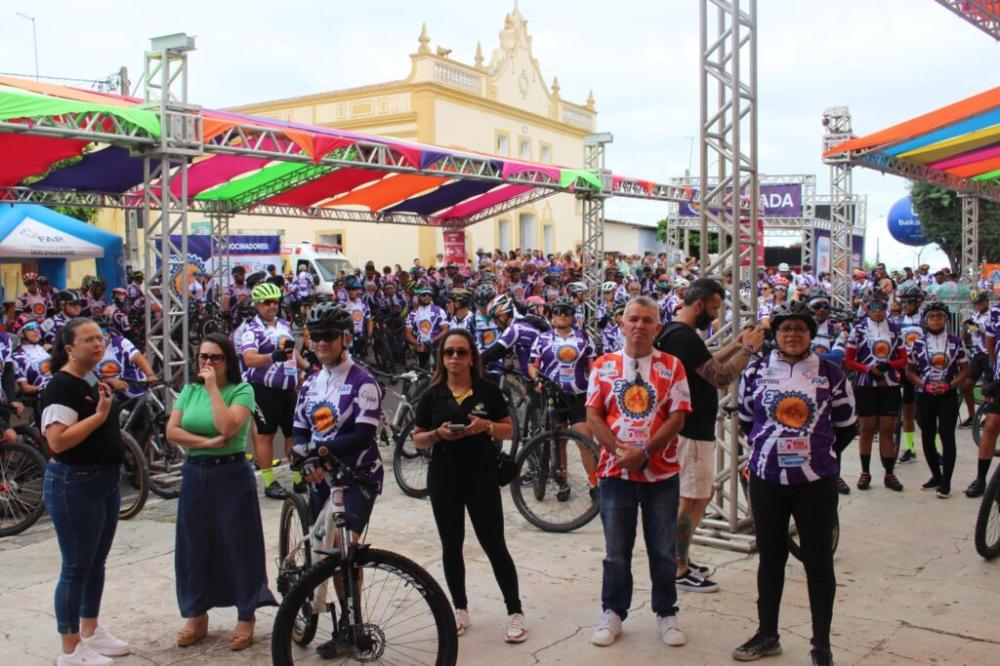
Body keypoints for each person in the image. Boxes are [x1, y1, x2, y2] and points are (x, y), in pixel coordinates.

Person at [732, 302, 856, 666]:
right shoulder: (755, 370)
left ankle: (821, 646)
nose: (792, 335)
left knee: (818, 563)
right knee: (770, 559)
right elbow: (746, 420)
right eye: (785, 329)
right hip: (767, 480)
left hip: (815, 482)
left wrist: (818, 454)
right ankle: (767, 635)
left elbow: (847, 425)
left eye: (800, 329)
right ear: (776, 334)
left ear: (810, 334)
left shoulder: (831, 372)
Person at [586, 296, 692, 649]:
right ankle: (613, 611)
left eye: (647, 320)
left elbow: (677, 417)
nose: (639, 326)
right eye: (633, 319)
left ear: (658, 327)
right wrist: (621, 452)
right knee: (616, 551)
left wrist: (644, 452)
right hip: (615, 474)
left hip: (661, 474)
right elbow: (593, 416)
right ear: (621, 323)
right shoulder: (603, 365)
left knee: (663, 549)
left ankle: (666, 612)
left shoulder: (672, 366)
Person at [412, 329, 526, 643]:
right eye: (449, 352)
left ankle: (515, 611)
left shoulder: (488, 391)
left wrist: (484, 426)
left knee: (494, 544)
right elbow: (417, 437)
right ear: (441, 357)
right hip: (444, 477)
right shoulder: (431, 395)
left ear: (472, 357)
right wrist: (438, 434)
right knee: (451, 545)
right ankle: (459, 609)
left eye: (462, 352)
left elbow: (508, 430)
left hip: (481, 477)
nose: (455, 358)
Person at [654, 279, 766, 594]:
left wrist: (736, 345)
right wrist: (749, 349)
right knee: (692, 499)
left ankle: (680, 559)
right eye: (714, 308)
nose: (715, 315)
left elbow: (706, 361)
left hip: (689, 430)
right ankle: (677, 568)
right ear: (700, 304)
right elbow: (721, 376)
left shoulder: (676, 332)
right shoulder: (684, 337)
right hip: (690, 432)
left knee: (697, 496)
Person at [166, 333, 276, 650]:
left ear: (228, 361)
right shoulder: (189, 391)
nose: (208, 363)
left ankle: (246, 615)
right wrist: (205, 443)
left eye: (215, 358)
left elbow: (228, 427)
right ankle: (196, 614)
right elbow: (172, 431)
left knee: (239, 544)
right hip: (195, 472)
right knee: (194, 546)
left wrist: (214, 388)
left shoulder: (242, 390)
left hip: (231, 473)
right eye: (203, 357)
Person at [41, 317, 130, 666]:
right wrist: (98, 417)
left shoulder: (90, 378)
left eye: (100, 338)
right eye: (88, 340)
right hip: (75, 482)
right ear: (69, 349)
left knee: (96, 562)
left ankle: (90, 628)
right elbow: (57, 442)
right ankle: (70, 647)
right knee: (76, 566)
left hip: (104, 480)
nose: (97, 344)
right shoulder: (61, 387)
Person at [528, 297, 598, 500]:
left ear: (573, 316)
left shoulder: (584, 338)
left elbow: (593, 367)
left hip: (578, 396)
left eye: (567, 312)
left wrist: (597, 387)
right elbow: (533, 365)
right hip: (553, 396)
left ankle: (594, 482)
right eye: (558, 311)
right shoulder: (542, 338)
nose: (563, 315)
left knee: (585, 439)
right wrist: (537, 379)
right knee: (558, 443)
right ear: (552, 316)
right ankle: (562, 482)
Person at [240, 281, 302, 499]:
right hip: (264, 390)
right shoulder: (252, 330)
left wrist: (307, 367)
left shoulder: (284, 324)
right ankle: (269, 482)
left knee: (294, 434)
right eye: (267, 302)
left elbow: (292, 353)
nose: (272, 306)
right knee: (266, 436)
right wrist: (271, 356)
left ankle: (298, 478)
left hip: (288, 389)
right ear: (258, 305)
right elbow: (248, 359)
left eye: (275, 301)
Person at [844, 293, 907, 491]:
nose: (878, 312)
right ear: (868, 309)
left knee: (887, 429)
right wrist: (866, 369)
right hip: (865, 384)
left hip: (889, 384)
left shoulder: (895, 329)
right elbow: (848, 360)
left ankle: (889, 473)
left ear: (886, 309)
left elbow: (904, 359)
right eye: (874, 308)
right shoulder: (858, 329)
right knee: (867, 429)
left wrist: (889, 365)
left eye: (882, 308)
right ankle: (865, 472)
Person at [905, 301, 968, 498]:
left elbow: (965, 370)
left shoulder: (956, 342)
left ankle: (946, 483)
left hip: (947, 394)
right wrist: (924, 385)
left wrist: (950, 385)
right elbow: (909, 371)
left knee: (947, 436)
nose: (936, 320)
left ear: (946, 320)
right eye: (931, 317)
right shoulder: (918, 343)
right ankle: (936, 476)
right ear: (926, 320)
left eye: (940, 316)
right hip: (925, 394)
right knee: (927, 435)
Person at [894, 284, 925, 465]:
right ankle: (910, 449)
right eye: (903, 302)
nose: (905, 305)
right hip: (905, 368)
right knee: (907, 410)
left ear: (918, 302)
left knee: (926, 414)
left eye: (909, 302)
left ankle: (936, 448)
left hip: (923, 370)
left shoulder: (926, 320)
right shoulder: (898, 321)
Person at [405, 287, 449, 369]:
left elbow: (445, 330)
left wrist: (432, 341)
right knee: (424, 372)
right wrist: (417, 344)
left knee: (440, 370)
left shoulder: (439, 310)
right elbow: (408, 334)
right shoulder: (412, 313)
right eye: (424, 295)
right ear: (418, 297)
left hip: (437, 347)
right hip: (421, 348)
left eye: (429, 295)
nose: (427, 297)